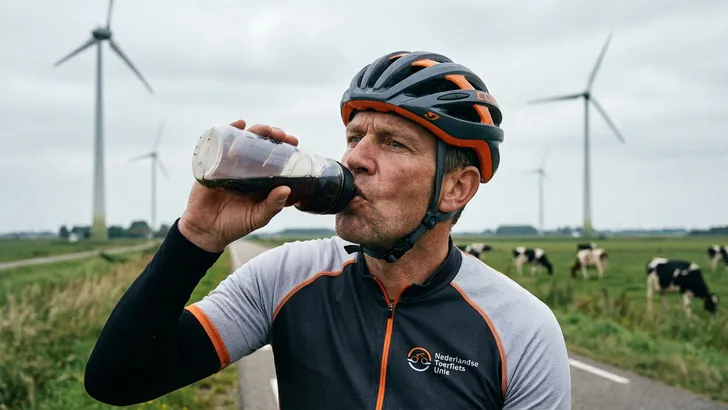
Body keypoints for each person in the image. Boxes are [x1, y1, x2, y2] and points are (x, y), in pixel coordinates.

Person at [84, 50, 571, 409]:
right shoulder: (284, 277)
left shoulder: (521, 330)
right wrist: (196, 236)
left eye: (393, 143)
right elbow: (118, 380)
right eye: (355, 137)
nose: (355, 158)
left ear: (456, 188)